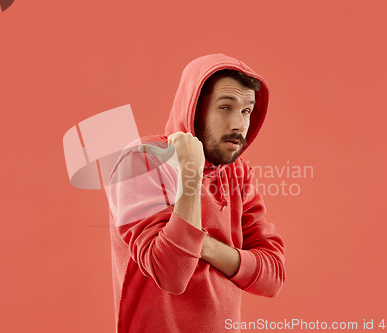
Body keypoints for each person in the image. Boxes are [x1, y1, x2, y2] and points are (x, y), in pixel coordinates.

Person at [107, 54, 285, 333]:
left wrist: (200, 245)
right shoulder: (142, 160)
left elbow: (272, 275)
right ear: (194, 108)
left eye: (246, 111)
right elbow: (171, 273)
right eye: (225, 107)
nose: (239, 124)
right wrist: (190, 174)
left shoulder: (238, 173)